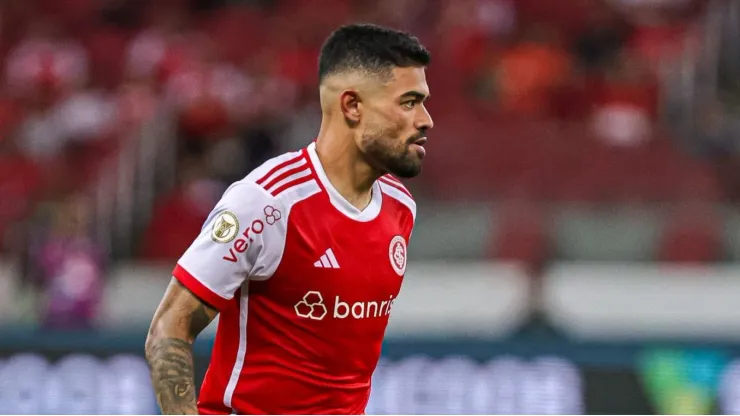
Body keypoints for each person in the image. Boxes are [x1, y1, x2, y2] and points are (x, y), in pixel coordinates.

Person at [145, 22, 433, 415]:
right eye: (409, 102)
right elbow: (169, 329)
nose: (425, 120)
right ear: (352, 106)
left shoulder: (400, 206)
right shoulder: (267, 201)